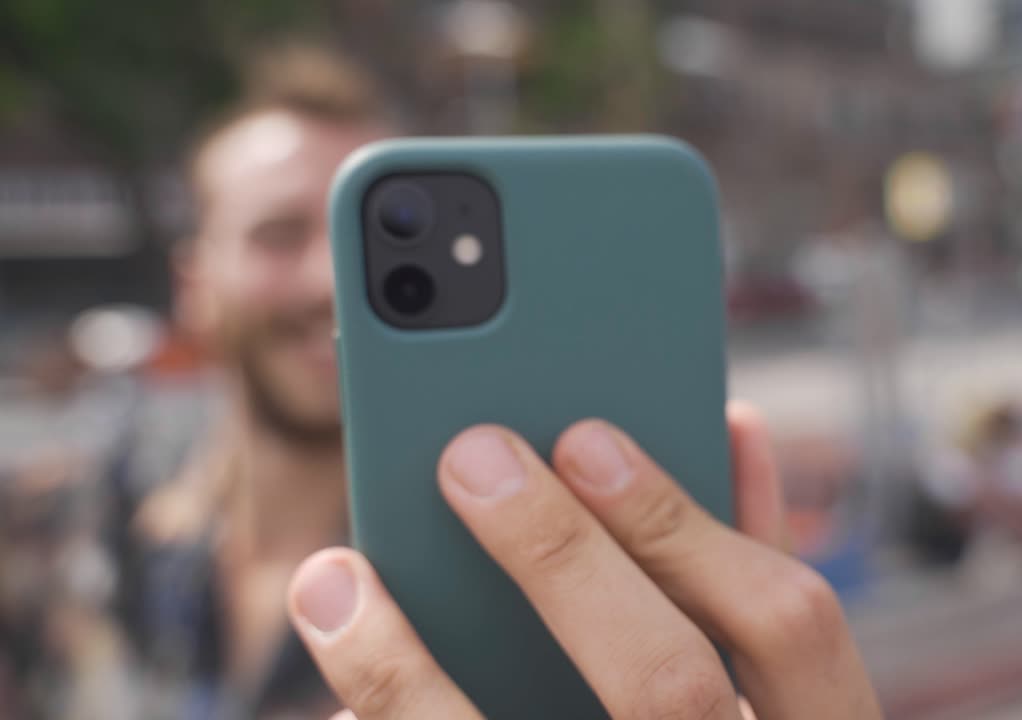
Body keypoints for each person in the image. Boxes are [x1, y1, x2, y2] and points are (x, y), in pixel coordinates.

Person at [3, 44, 881, 719]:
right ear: (195, 285)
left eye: (366, 228)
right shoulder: (116, 508)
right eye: (279, 234)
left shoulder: (492, 580)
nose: (327, 282)